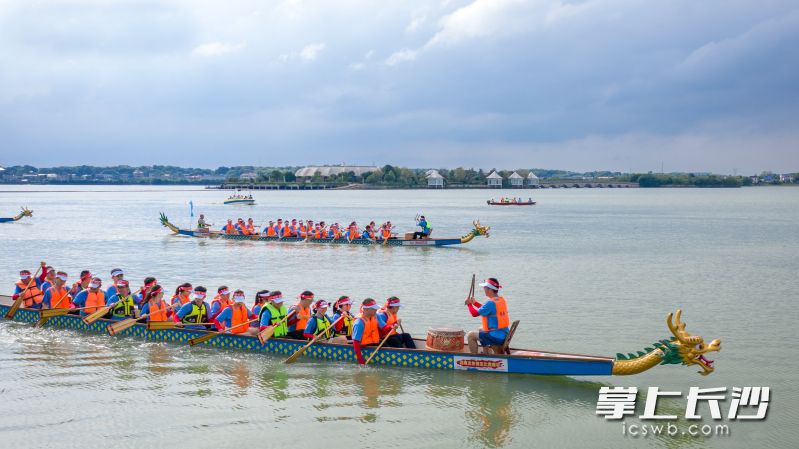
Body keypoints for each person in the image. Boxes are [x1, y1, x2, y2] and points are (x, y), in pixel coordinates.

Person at [465, 278, 510, 354]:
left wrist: (469, 304)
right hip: (503, 333)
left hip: (496, 337)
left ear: (489, 289)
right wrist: (475, 303)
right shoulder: (500, 300)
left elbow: (474, 314)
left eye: (484, 288)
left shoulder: (490, 303)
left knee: (470, 335)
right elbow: (486, 309)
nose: (483, 289)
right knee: (481, 328)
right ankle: (486, 353)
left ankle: (473, 357)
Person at [352, 298, 392, 365]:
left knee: (388, 344)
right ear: (366, 309)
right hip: (364, 346)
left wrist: (391, 326)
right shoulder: (359, 322)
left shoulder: (376, 316)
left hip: (374, 342)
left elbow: (384, 328)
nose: (376, 310)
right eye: (374, 309)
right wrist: (360, 360)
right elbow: (355, 342)